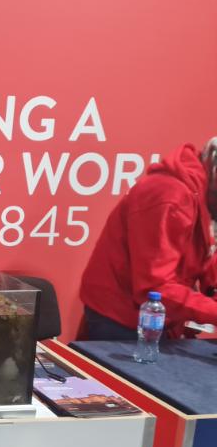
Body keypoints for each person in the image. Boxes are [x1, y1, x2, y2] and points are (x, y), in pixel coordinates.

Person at [80, 138, 217, 339]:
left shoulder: (204, 194)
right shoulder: (169, 197)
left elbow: (207, 254)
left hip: (159, 318)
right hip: (122, 319)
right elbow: (153, 288)